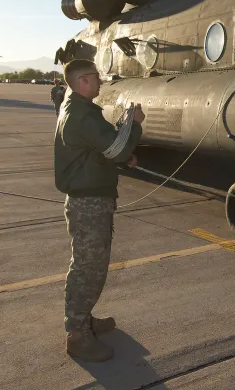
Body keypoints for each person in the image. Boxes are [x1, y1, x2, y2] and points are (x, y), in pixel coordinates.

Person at [54, 59, 145, 362]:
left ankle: (83, 320)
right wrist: (134, 124)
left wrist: (120, 157)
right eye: (95, 77)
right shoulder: (82, 116)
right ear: (82, 81)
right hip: (89, 202)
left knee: (89, 266)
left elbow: (100, 150)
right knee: (88, 268)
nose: (100, 82)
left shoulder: (77, 109)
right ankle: (77, 335)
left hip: (91, 198)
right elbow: (117, 147)